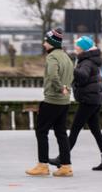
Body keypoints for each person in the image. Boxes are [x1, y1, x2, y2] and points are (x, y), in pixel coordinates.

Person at [49, 36, 102, 171]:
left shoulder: (87, 62)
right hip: (94, 100)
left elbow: (82, 76)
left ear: (83, 48)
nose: (75, 47)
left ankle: (62, 159)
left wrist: (69, 66)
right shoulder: (88, 60)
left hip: (88, 101)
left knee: (74, 130)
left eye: (77, 46)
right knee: (96, 131)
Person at [25, 28, 75, 177]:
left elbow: (53, 75)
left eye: (46, 41)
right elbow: (71, 75)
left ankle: (43, 165)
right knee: (61, 133)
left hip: (52, 100)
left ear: (52, 43)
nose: (43, 43)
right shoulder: (66, 57)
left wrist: (60, 88)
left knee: (41, 131)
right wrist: (66, 90)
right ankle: (66, 166)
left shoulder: (52, 57)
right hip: (65, 102)